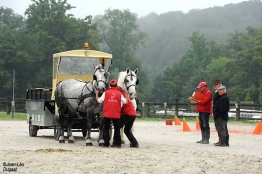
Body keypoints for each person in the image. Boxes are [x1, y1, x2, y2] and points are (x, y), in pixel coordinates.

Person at [95, 79, 128, 148]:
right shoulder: (119, 94)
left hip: (107, 113)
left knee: (106, 128)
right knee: (117, 128)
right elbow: (125, 102)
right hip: (116, 114)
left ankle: (106, 143)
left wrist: (96, 94)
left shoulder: (106, 92)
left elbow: (99, 101)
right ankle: (118, 143)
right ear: (116, 86)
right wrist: (126, 94)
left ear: (110, 85)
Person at [213, 79, 223, 145]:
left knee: (221, 127)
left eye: (216, 85)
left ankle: (222, 140)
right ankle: (220, 140)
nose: (215, 86)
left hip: (219, 111)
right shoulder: (217, 92)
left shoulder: (220, 93)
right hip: (216, 110)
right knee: (217, 126)